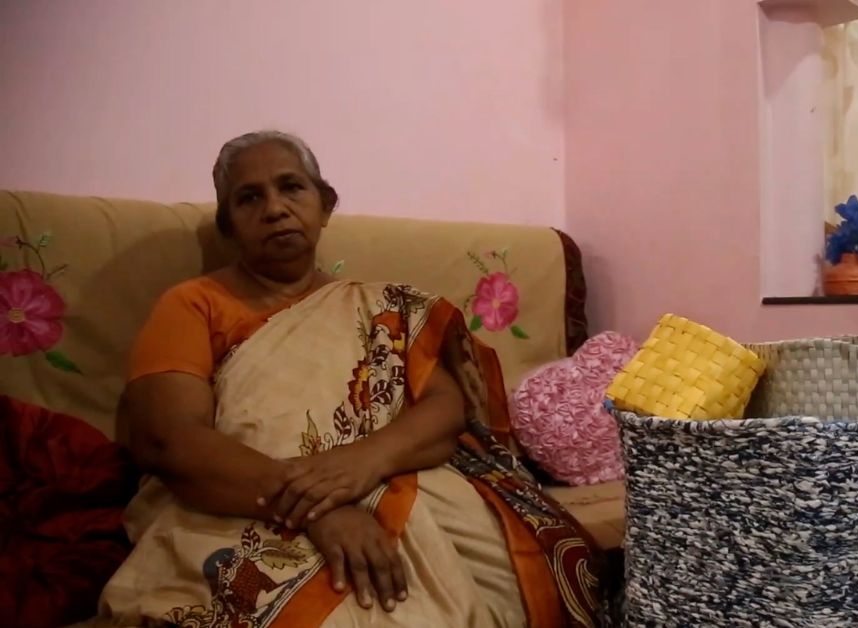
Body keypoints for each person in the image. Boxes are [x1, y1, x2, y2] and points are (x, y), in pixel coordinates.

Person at [98, 131, 604, 627]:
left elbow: (443, 410)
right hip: (242, 496)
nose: (274, 208)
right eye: (249, 198)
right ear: (227, 226)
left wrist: (358, 463)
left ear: (324, 204)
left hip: (385, 478)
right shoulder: (192, 304)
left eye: (291, 187)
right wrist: (320, 509)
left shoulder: (381, 308)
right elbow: (169, 440)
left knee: (531, 564)